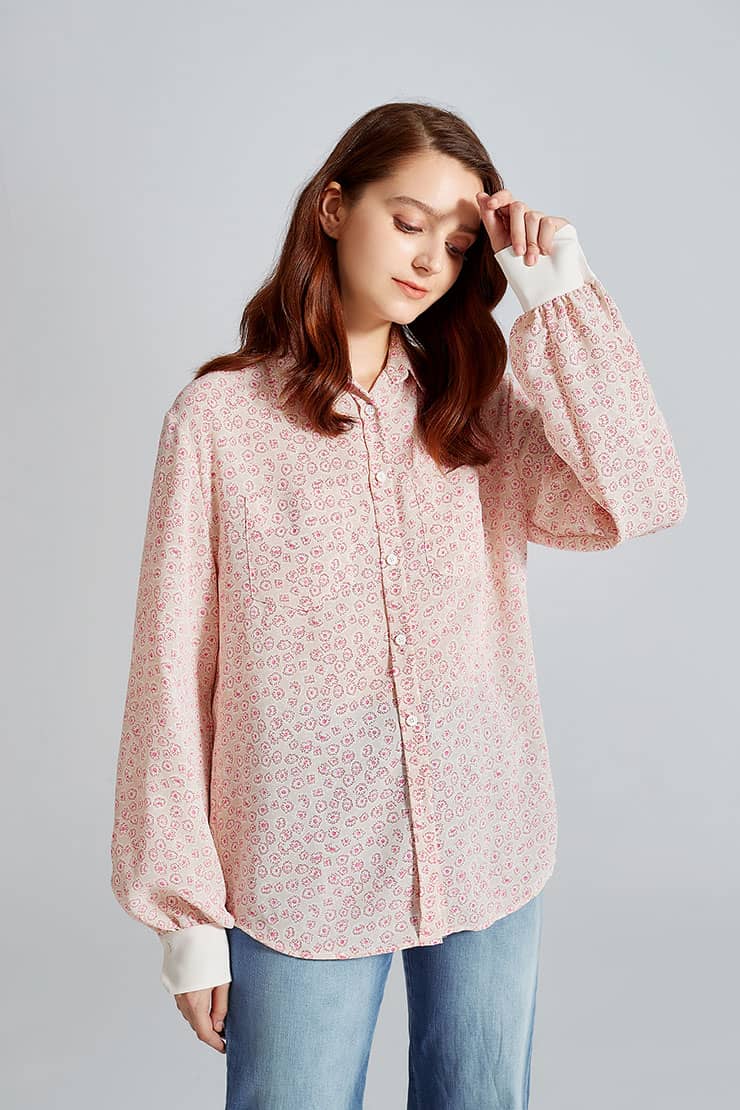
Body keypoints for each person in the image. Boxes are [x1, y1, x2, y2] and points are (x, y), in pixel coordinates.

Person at [109, 100, 687, 1109]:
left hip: (485, 830)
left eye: (459, 245)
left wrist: (558, 291)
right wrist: (187, 918)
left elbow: (643, 493)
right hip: (299, 857)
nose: (429, 259)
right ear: (335, 209)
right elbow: (171, 671)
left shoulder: (474, 411)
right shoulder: (218, 423)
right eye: (407, 221)